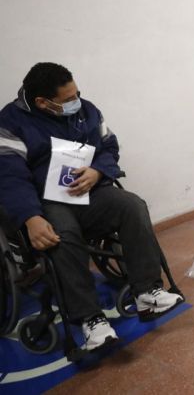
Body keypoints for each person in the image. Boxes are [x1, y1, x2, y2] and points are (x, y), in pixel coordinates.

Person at [0, 63, 183, 351]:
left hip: (89, 190)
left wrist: (98, 171)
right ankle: (89, 320)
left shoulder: (87, 110)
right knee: (63, 233)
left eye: (77, 94)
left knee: (132, 206)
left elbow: (109, 146)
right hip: (45, 201)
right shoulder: (10, 123)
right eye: (68, 99)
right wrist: (31, 217)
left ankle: (147, 292)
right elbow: (10, 177)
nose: (76, 102)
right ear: (42, 103)